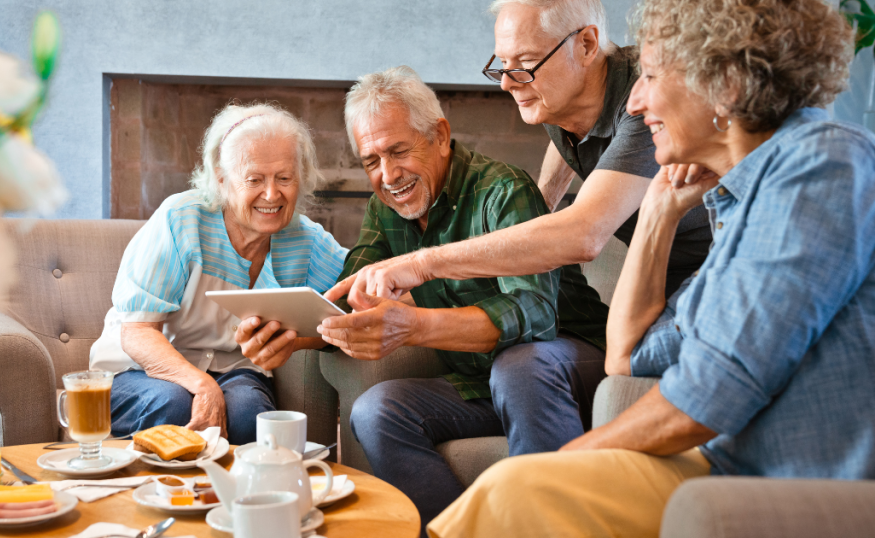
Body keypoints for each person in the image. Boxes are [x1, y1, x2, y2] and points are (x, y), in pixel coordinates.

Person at [427, 0, 874, 536]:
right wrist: (659, 212)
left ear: (725, 85)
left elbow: (709, 395)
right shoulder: (735, 204)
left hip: (796, 479)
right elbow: (627, 356)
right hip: (729, 466)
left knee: (518, 488)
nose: (636, 100)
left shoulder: (821, 166)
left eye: (653, 75)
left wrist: (560, 461)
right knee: (512, 493)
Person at [302, 65, 608, 528]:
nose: (388, 174)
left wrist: (416, 326)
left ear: (440, 136)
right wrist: (302, 329)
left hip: (568, 367)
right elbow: (354, 291)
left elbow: (535, 315)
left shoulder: (502, 191)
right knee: (377, 411)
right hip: (481, 384)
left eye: (399, 151)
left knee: (518, 365)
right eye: (371, 161)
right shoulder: (385, 211)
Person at [327, 0, 712, 305]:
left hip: (723, 267)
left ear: (587, 45)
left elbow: (585, 234)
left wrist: (423, 264)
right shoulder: (553, 94)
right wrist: (540, 204)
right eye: (503, 64)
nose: (509, 84)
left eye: (525, 64)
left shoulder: (645, 101)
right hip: (668, 275)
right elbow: (565, 138)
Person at [88, 103, 347, 445]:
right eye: (254, 179)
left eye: (284, 178)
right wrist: (203, 385)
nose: (272, 194)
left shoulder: (307, 242)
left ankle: (245, 498)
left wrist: (296, 342)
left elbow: (355, 298)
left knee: (250, 416)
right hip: (137, 370)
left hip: (235, 371)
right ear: (222, 180)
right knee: (175, 406)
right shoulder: (182, 220)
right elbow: (136, 332)